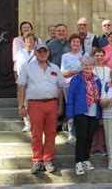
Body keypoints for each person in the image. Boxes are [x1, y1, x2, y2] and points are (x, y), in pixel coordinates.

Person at [17, 43, 64, 174]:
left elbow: (60, 88)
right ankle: (37, 160)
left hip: (52, 103)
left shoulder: (55, 68)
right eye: (39, 52)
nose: (42, 54)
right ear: (35, 53)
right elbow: (21, 88)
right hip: (35, 104)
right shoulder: (27, 68)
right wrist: (21, 106)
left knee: (51, 133)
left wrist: (60, 105)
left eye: (45, 51)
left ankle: (48, 160)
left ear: (48, 53)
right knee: (36, 133)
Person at [66, 56, 102, 175]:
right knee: (81, 138)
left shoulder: (97, 80)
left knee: (89, 137)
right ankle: (78, 163)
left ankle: (86, 160)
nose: (88, 67)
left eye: (90, 65)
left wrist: (100, 115)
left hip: (93, 112)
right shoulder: (76, 79)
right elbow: (70, 98)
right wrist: (70, 115)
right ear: (82, 66)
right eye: (85, 65)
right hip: (81, 112)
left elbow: (100, 97)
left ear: (93, 66)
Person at [61, 34, 89, 144]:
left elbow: (87, 69)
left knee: (81, 108)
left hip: (82, 84)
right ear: (70, 43)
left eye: (78, 42)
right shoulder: (65, 56)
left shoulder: (84, 54)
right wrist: (78, 70)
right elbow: (63, 73)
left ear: (80, 44)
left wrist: (72, 72)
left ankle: (80, 133)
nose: (76, 44)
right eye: (73, 42)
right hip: (68, 85)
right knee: (70, 108)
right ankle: (71, 133)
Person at [15, 32, 38, 132]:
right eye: (27, 39)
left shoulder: (38, 52)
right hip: (23, 79)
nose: (29, 41)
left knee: (34, 101)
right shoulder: (20, 52)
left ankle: (35, 122)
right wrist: (19, 78)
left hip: (35, 79)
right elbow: (18, 66)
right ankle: (27, 123)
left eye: (31, 39)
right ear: (24, 41)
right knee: (24, 101)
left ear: (35, 41)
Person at [90, 48, 111, 157]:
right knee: (94, 122)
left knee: (103, 124)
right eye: (97, 55)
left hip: (105, 98)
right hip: (93, 99)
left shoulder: (108, 69)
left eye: (101, 55)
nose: (99, 57)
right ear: (93, 57)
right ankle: (93, 147)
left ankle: (101, 146)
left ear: (104, 57)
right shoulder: (91, 69)